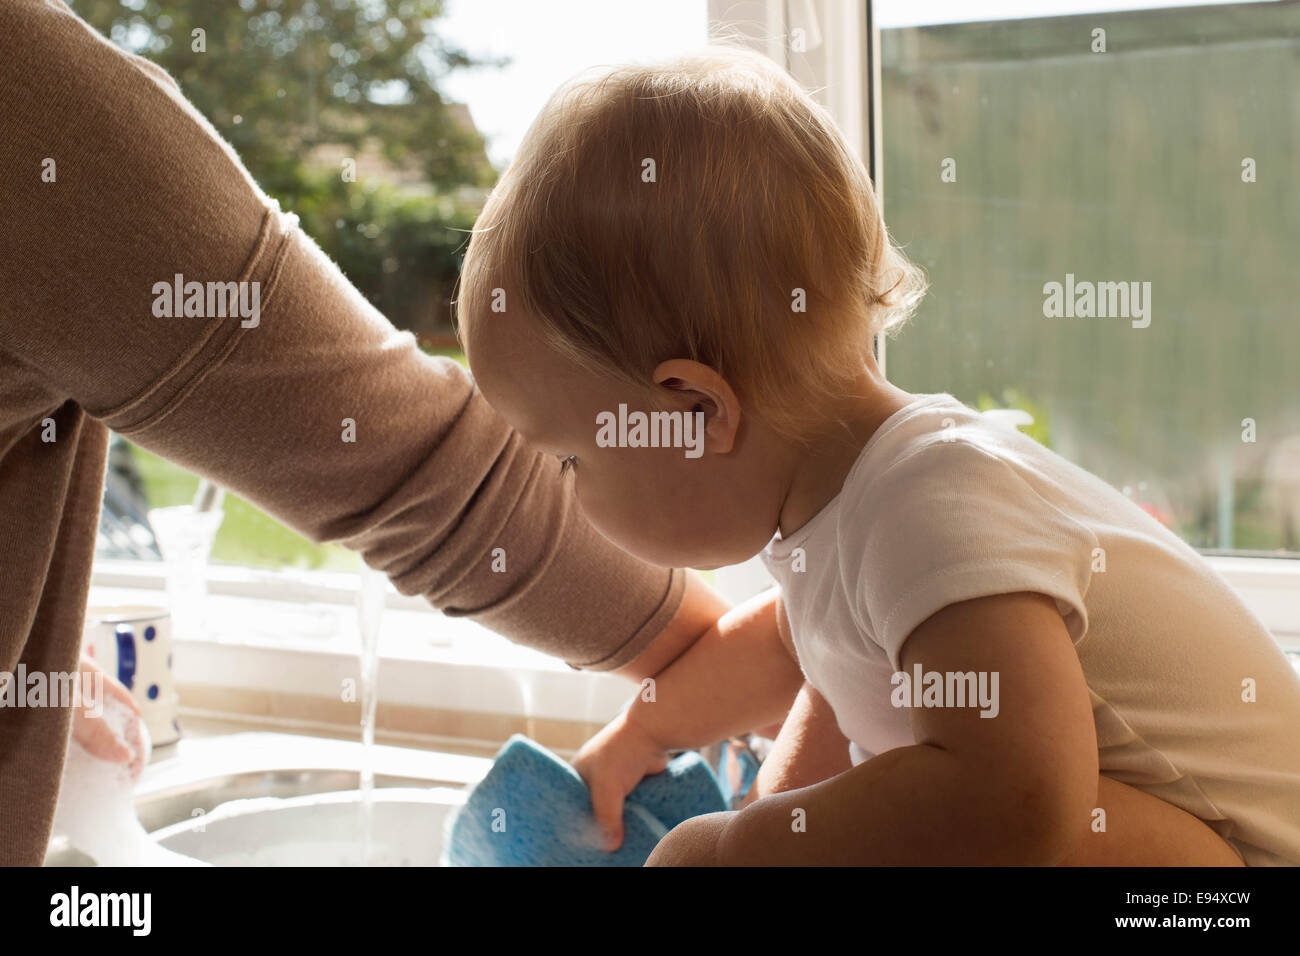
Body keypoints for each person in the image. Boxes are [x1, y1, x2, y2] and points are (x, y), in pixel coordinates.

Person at [456, 47, 1300, 865]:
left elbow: (1023, 804)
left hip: (1237, 864)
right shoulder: (853, 505)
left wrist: (730, 851)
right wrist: (644, 734)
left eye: (570, 459)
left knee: (979, 796)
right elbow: (802, 652)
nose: (566, 494)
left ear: (694, 410)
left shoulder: (931, 503)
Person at [0, 0, 733, 866]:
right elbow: (424, 474)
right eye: (570, 458)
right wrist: (726, 657)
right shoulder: (32, 101)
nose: (575, 474)